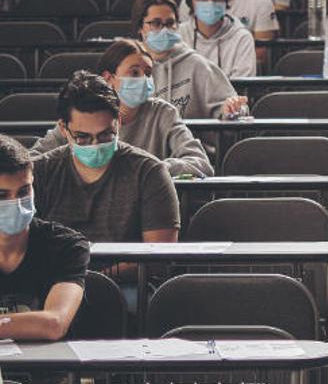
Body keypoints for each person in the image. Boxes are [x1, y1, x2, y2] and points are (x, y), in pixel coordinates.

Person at [30, 39, 215, 178]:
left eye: (148, 73)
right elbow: (32, 161)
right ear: (109, 77)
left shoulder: (163, 113)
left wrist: (146, 169)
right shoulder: (83, 113)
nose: (144, 79)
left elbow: (200, 163)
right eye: (134, 72)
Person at [32, 71, 181, 244]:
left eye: (105, 135)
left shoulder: (149, 172)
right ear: (63, 129)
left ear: (118, 121)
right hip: (58, 271)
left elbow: (159, 257)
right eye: (82, 137)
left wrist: (103, 272)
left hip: (125, 272)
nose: (95, 144)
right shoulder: (40, 173)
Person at [0, 134, 89, 341]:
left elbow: (54, 323)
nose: (16, 202)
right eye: (1, 195)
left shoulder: (67, 246)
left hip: (49, 371)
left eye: (24, 191)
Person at [131, 0, 247, 119]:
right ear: (140, 27)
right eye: (156, 23)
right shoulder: (127, 64)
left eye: (170, 23)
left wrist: (231, 108)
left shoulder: (197, 65)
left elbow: (234, 107)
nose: (164, 29)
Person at [179, 0, 257, 78]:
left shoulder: (242, 38)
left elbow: (243, 86)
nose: (210, 3)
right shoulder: (179, 36)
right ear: (190, 2)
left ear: (225, 2)